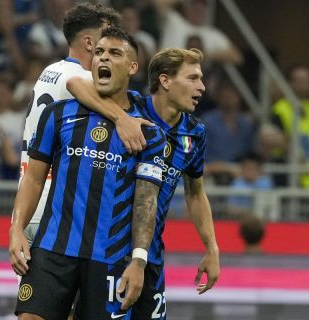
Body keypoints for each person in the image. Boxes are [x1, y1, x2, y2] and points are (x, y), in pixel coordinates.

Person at [10, 27, 166, 319]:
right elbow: (33, 178)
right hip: (53, 248)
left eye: (115, 53)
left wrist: (139, 261)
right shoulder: (58, 114)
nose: (103, 58)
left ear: (132, 67)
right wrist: (16, 229)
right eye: (99, 52)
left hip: (110, 258)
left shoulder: (147, 132)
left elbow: (147, 202)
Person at [67, 47, 220, 319]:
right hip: (109, 250)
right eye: (193, 78)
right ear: (165, 81)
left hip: (152, 255)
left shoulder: (195, 132)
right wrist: (119, 118)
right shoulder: (130, 106)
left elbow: (195, 193)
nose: (202, 87)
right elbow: (77, 84)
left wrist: (212, 248)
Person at [9, 2, 150, 260]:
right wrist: (122, 118)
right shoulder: (77, 77)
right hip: (54, 208)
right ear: (88, 42)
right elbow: (78, 84)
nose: (109, 46)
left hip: (30, 200)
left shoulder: (50, 71)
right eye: (104, 38)